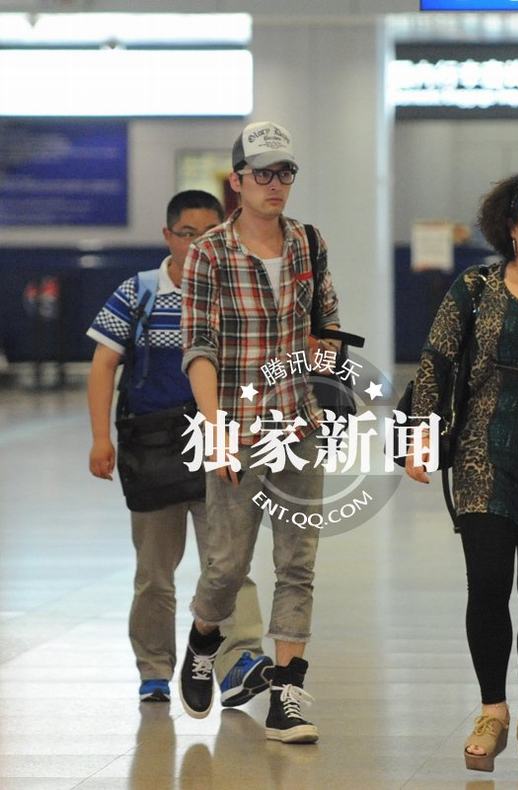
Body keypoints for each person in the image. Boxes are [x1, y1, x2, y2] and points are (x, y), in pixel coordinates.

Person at [179, 122, 341, 743]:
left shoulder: (308, 243)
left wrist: (325, 352)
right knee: (227, 566)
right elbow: (199, 346)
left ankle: (287, 696)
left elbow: (328, 323)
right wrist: (216, 428)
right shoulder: (210, 253)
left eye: (286, 173)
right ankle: (203, 640)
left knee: (298, 563)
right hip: (237, 428)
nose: (276, 184)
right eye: (264, 173)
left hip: (298, 423)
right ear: (238, 180)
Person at [87, 190, 273, 706]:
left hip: (222, 446)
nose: (197, 245)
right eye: (187, 234)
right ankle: (154, 669)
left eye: (209, 234)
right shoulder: (138, 292)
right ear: (168, 236)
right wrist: (100, 438)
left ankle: (238, 663)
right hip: (153, 452)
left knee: (230, 563)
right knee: (154, 573)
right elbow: (103, 365)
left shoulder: (237, 290)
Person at [406, 174, 518, 774]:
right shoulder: (476, 287)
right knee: (487, 583)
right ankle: (492, 711)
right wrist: (420, 437)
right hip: (485, 452)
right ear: (511, 227)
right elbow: (436, 361)